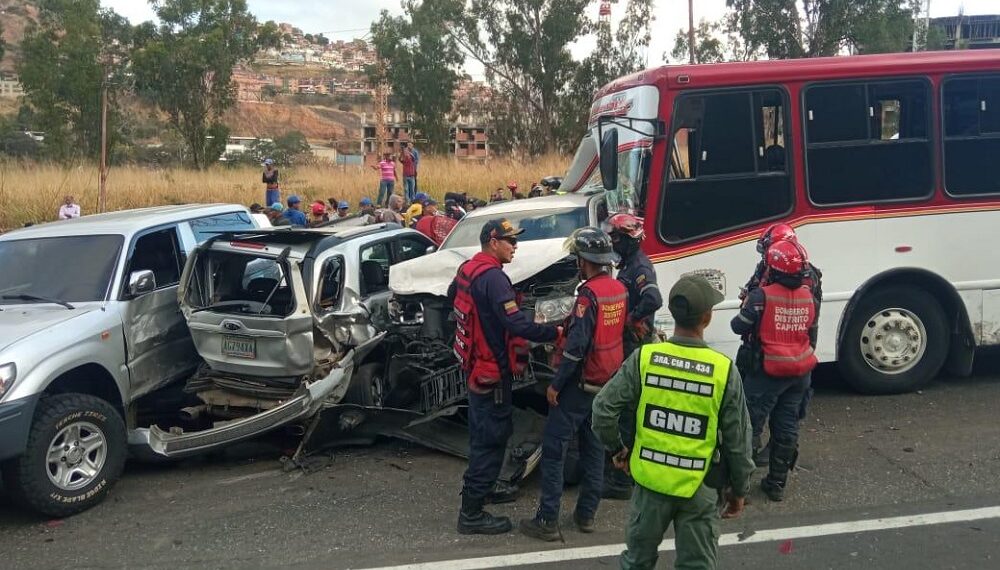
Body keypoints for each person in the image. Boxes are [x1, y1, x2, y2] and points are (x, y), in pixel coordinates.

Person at [592, 275, 754, 570]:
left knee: (637, 563)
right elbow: (738, 440)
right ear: (706, 318)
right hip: (699, 487)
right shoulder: (722, 370)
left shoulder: (645, 358)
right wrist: (739, 490)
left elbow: (603, 409)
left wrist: (618, 450)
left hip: (649, 486)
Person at [449, 218, 561, 535]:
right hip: (491, 373)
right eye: (510, 241)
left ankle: (482, 491)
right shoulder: (494, 279)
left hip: (475, 368)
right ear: (493, 241)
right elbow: (517, 326)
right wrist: (555, 331)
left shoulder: (468, 270)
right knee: (492, 439)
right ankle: (471, 513)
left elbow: (451, 299)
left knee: (485, 433)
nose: (516, 246)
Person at [520, 228, 627, 541]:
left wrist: (556, 384)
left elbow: (576, 348)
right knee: (594, 449)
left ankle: (547, 520)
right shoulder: (618, 289)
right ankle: (586, 515)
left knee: (555, 450)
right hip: (605, 383)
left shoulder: (588, 296)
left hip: (579, 385)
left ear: (585, 261)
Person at [731, 241, 819, 502]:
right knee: (787, 426)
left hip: (767, 372)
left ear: (773, 267)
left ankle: (741, 487)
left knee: (750, 427)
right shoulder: (808, 296)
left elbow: (739, 326)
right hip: (800, 373)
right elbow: (810, 332)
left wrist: (747, 302)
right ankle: (777, 483)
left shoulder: (761, 296)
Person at [602, 213, 663, 500]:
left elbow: (653, 299)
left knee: (627, 410)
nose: (612, 242)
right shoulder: (627, 264)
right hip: (628, 344)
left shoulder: (640, 267)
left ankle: (621, 481)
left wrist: (632, 319)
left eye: (615, 237)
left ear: (628, 239)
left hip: (634, 346)